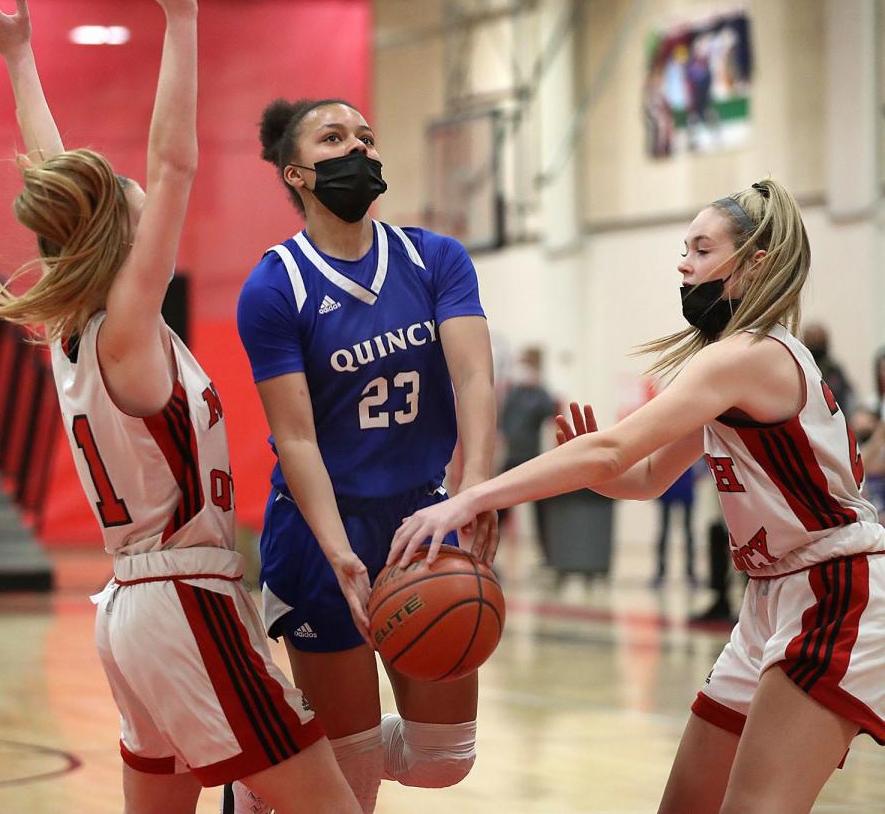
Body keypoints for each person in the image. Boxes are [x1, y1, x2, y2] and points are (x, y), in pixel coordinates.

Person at [0, 0, 359, 813]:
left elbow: (63, 185)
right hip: (185, 600)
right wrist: (183, 23)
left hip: (135, 608)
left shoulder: (80, 324)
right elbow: (175, 165)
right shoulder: (127, 324)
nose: (146, 192)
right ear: (121, 231)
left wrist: (20, 59)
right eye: (130, 196)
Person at [391, 179, 885, 813]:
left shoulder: (748, 355)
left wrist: (470, 495)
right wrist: (594, 466)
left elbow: (614, 452)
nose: (684, 263)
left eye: (702, 250)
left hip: (834, 590)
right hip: (771, 596)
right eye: (684, 248)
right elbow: (645, 474)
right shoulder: (726, 361)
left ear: (756, 262)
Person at [235, 97, 499, 812]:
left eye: (367, 136)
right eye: (334, 137)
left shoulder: (433, 257)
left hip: (421, 518)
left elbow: (474, 374)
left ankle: (283, 766)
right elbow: (296, 438)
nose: (358, 148)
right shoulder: (275, 285)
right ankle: (290, 776)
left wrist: (473, 489)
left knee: (445, 759)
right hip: (324, 530)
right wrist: (338, 550)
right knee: (350, 792)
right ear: (297, 173)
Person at [497, 346, 557, 560]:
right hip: (512, 458)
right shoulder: (514, 392)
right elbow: (502, 421)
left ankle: (548, 557)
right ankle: (488, 549)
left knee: (542, 513)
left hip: (532, 458)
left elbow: (550, 412)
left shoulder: (540, 393)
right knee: (500, 509)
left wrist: (539, 386)